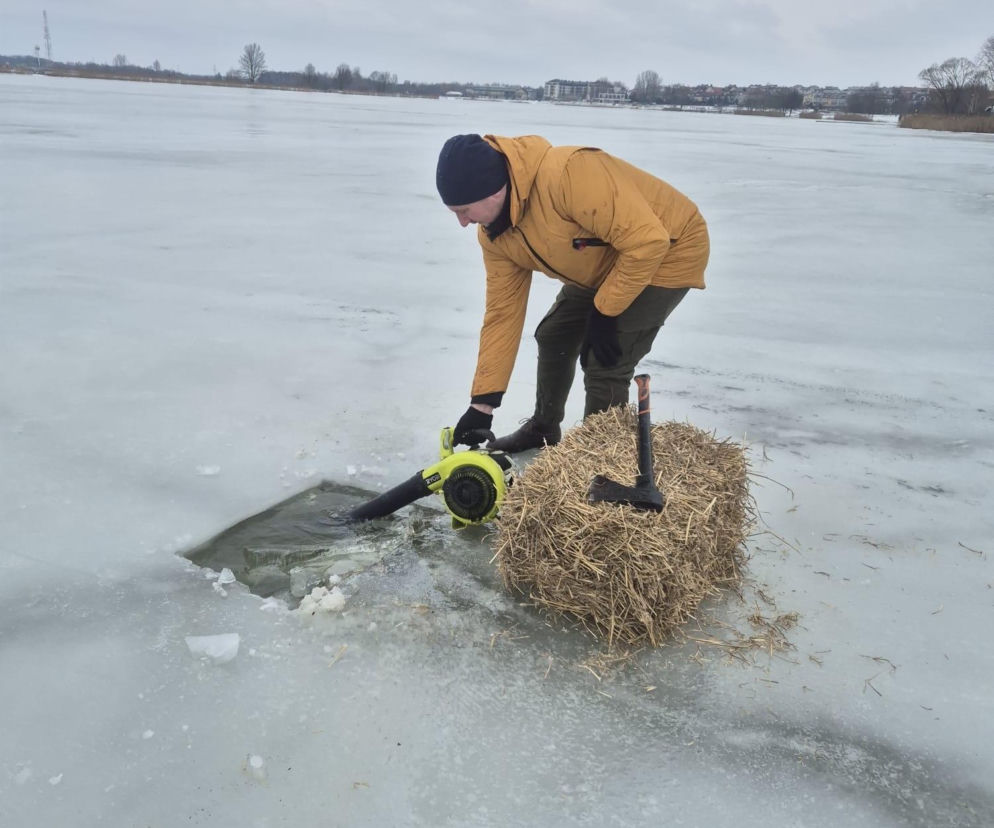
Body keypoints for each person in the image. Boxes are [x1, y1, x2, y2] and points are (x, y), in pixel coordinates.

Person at [436, 133, 709, 453]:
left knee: (605, 360)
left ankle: (602, 458)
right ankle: (543, 428)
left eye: (464, 210)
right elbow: (502, 314)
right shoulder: (496, 236)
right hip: (609, 260)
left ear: (494, 190)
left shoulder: (567, 174)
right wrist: (483, 403)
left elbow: (648, 242)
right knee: (554, 334)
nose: (462, 223)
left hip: (670, 250)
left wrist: (605, 312)